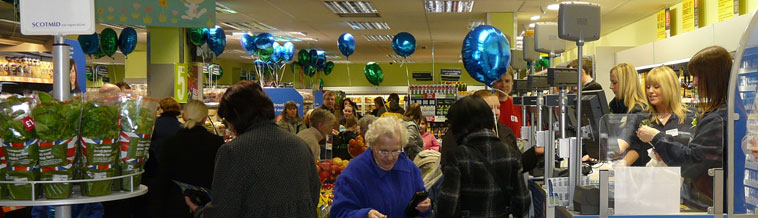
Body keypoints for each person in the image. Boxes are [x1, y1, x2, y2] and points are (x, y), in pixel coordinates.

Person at [185, 81, 320, 217]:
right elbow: (314, 194)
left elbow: (223, 211)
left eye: (227, 120)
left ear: (236, 117)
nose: (229, 128)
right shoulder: (300, 145)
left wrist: (198, 210)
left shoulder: (233, 151)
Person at [646, 46, 730, 210]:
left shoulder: (717, 118)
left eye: (698, 76)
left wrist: (658, 140)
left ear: (713, 77)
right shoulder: (725, 111)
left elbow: (694, 161)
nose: (695, 82)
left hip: (710, 203)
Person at [436, 96, 530, 217]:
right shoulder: (510, 153)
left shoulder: (457, 156)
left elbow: (447, 205)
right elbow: (522, 202)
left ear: (461, 125)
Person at [331, 117, 431, 218]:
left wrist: (425, 206)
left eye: (395, 151)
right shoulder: (354, 173)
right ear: (372, 145)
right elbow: (339, 213)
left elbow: (421, 200)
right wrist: (365, 215)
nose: (390, 157)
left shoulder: (409, 169)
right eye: (383, 151)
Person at [155, 100, 224, 218]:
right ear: (204, 119)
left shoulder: (170, 143)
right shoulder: (216, 142)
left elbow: (162, 177)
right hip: (206, 204)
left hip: (176, 203)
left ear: (183, 115)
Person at [619, 66, 694, 167]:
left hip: (681, 179)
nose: (650, 91)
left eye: (656, 87)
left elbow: (693, 154)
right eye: (648, 87)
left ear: (670, 87)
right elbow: (629, 144)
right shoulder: (642, 117)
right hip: (649, 179)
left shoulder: (690, 117)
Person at [492, 68, 523, 138]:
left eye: (507, 81)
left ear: (512, 82)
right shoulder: (486, 104)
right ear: (493, 82)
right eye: (499, 81)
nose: (503, 85)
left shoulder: (518, 105)